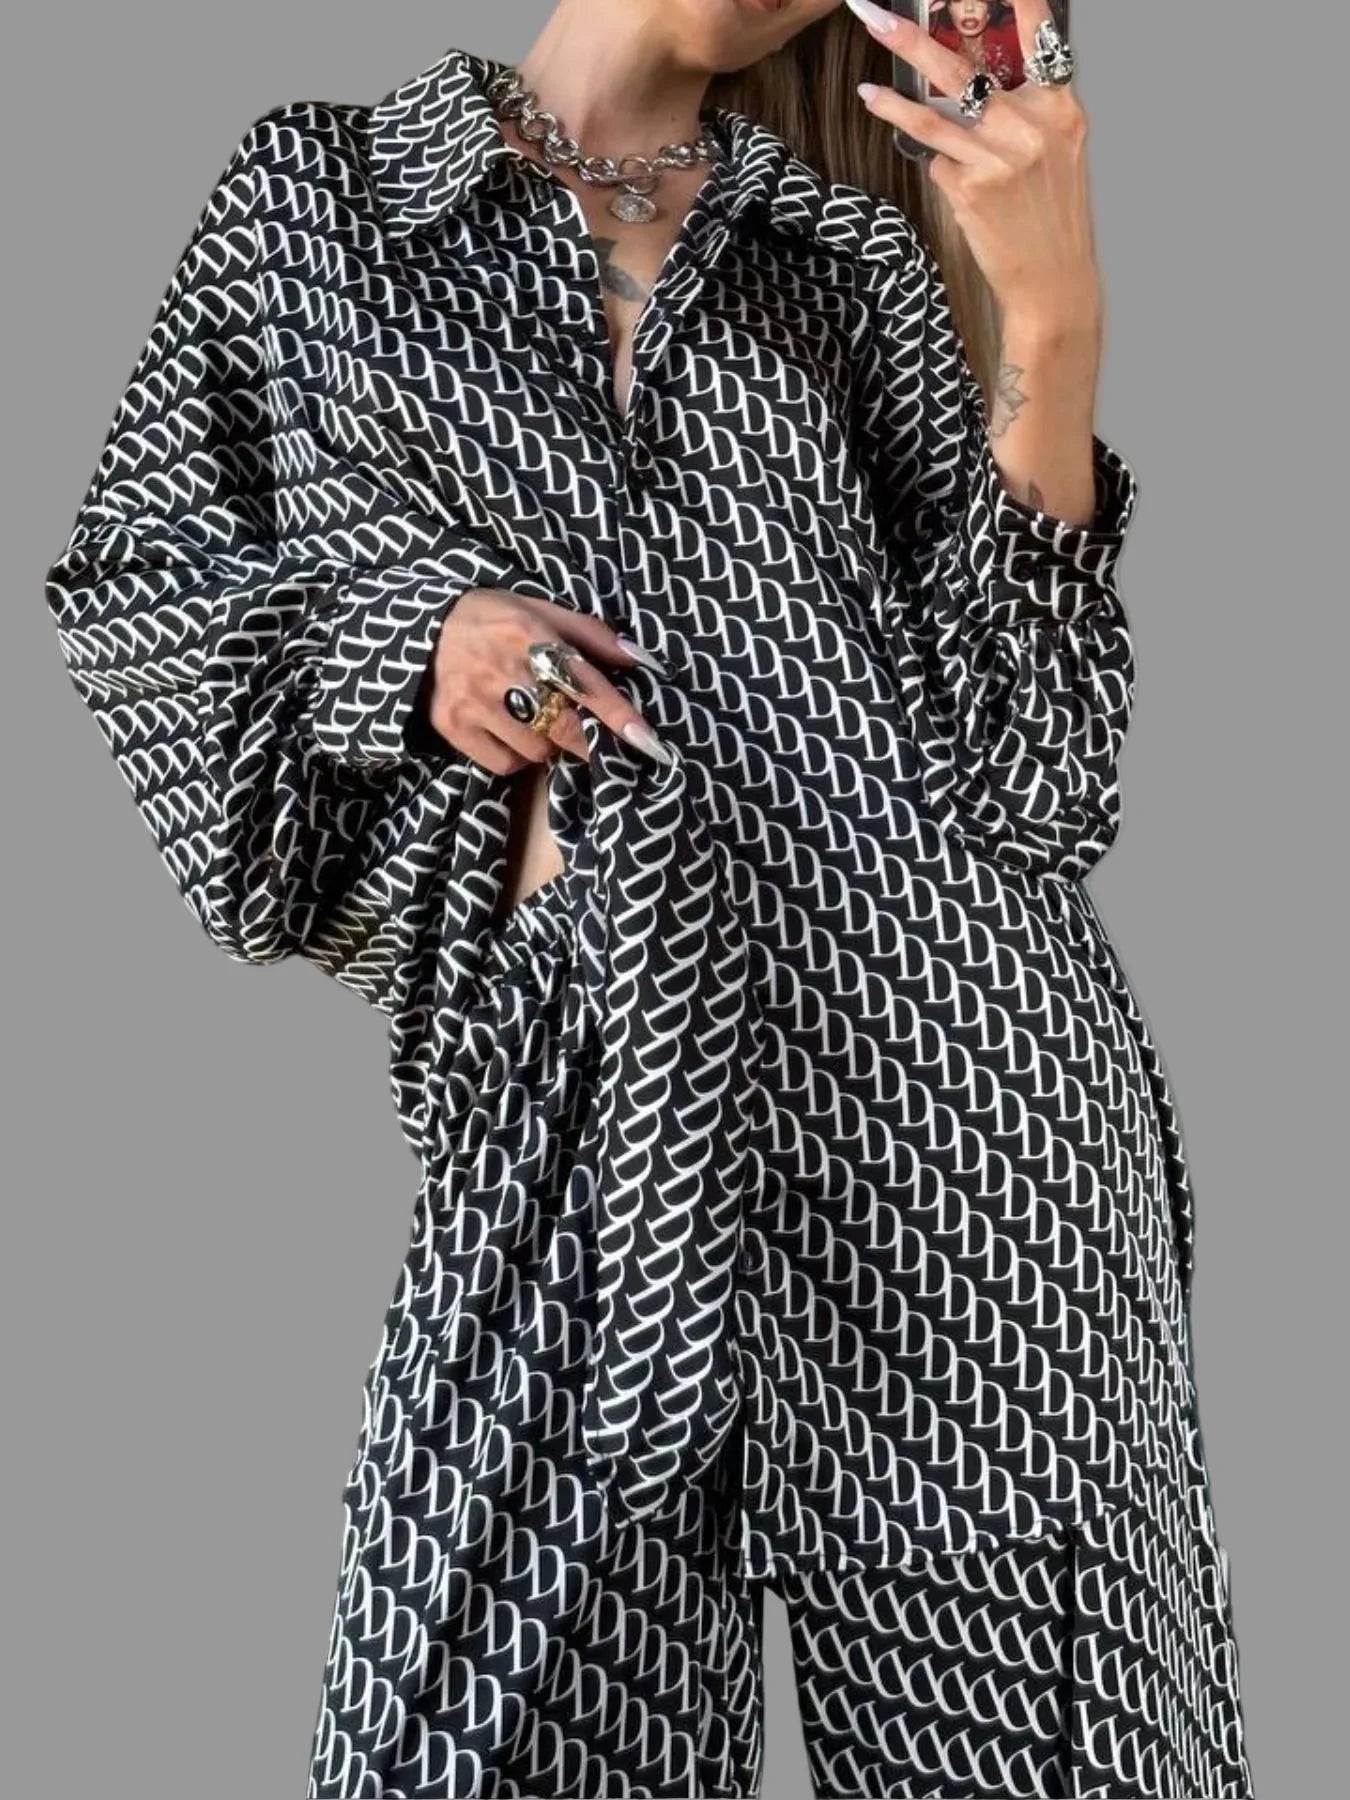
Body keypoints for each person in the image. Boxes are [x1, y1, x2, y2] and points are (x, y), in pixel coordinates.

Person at [41, 2, 1255, 1795]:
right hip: (573, 1103)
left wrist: (1052, 325)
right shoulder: (324, 198)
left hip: (962, 1121)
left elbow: (1040, 778)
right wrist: (412, 642)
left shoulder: (840, 258)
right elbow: (141, 602)